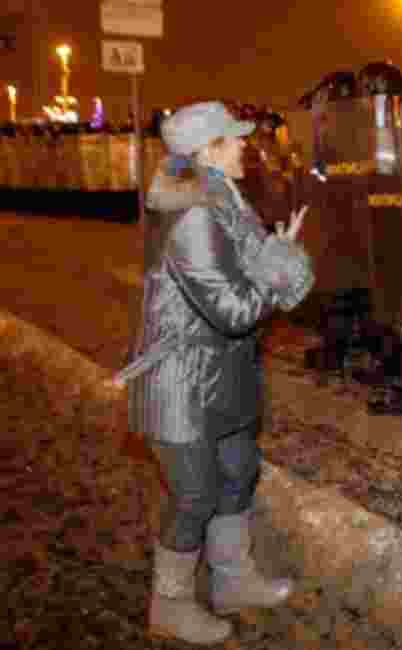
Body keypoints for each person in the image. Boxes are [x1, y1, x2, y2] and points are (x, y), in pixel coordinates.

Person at [117, 101, 314, 645]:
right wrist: (277, 267)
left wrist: (277, 252)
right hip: (180, 379)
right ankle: (171, 602)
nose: (246, 145)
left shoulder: (224, 197)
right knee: (194, 494)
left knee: (238, 469)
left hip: (222, 372)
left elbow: (251, 271)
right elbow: (230, 310)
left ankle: (232, 578)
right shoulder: (195, 213)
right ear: (207, 151)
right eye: (233, 139)